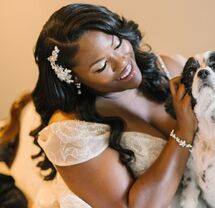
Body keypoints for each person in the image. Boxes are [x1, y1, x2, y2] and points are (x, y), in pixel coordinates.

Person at [30, 3, 197, 208]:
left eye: (117, 44)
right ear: (74, 79)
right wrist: (184, 132)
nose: (122, 63)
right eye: (101, 66)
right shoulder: (71, 130)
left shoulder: (168, 67)